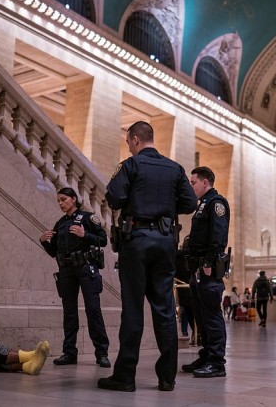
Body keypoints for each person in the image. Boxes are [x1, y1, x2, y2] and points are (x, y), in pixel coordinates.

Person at [99, 120, 197, 392]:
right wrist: (165, 207)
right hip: (165, 243)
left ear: (134, 140)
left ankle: (125, 377)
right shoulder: (175, 168)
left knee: (132, 309)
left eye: (129, 143)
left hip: (136, 241)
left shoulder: (130, 165)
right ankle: (167, 378)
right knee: (165, 309)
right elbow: (190, 203)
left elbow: (115, 197)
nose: (129, 147)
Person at [40, 187, 111, 368]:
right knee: (69, 312)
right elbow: (54, 252)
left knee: (93, 310)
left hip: (86, 268)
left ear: (73, 199)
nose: (61, 203)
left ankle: (102, 353)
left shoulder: (88, 218)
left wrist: (84, 234)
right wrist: (43, 242)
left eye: (64, 199)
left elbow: (103, 240)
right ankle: (69, 352)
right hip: (66, 271)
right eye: (59, 201)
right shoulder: (60, 223)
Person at [181, 166, 230, 378]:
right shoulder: (202, 205)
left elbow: (218, 236)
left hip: (208, 269)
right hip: (197, 269)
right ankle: (206, 355)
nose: (191, 186)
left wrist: (209, 261)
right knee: (201, 316)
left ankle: (217, 362)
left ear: (205, 182)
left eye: (193, 182)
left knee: (211, 316)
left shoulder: (216, 203)